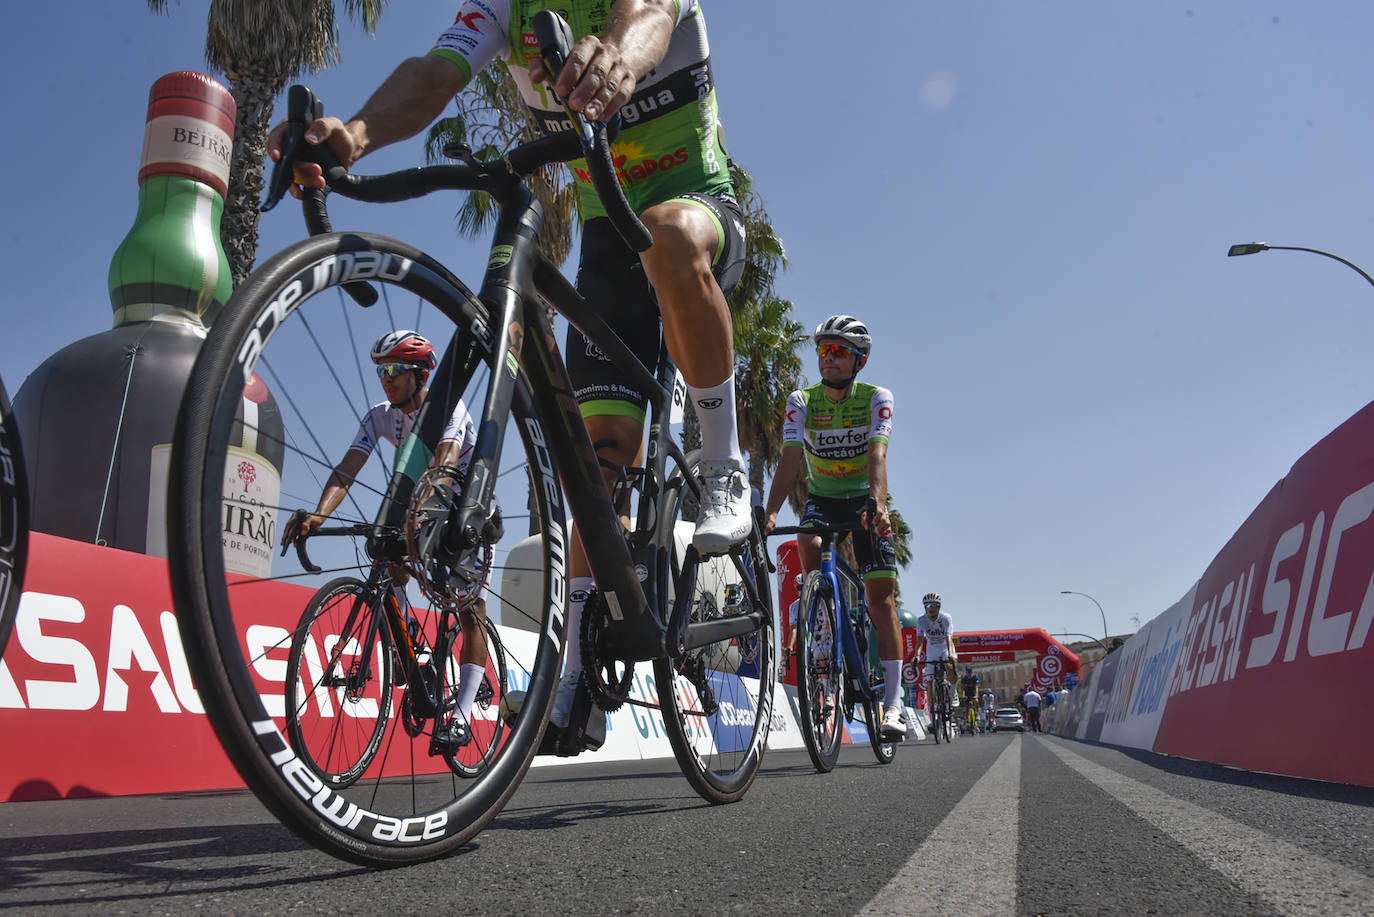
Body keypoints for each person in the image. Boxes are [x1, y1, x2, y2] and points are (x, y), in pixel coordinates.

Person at [269, 2, 753, 753]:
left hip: (696, 206)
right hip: (607, 242)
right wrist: (354, 135)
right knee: (600, 457)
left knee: (666, 231)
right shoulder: (505, 6)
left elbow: (650, 15)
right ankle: (582, 667)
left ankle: (723, 461)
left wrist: (621, 57)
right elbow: (434, 74)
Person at [281, 330, 485, 747]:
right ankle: (415, 642)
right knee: (385, 561)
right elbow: (348, 467)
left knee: (471, 608)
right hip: (417, 500)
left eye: (393, 370)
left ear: (421, 372)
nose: (385, 379)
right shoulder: (380, 415)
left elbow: (445, 463)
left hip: (463, 505)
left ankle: (462, 712)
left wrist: (421, 510)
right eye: (380, 371)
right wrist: (318, 515)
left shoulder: (449, 406)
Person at [762, 315, 905, 741]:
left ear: (859, 360)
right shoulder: (801, 401)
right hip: (823, 498)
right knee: (806, 536)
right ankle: (818, 613)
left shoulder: (876, 397)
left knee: (881, 601)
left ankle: (893, 706)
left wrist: (877, 506)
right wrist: (770, 513)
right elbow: (789, 459)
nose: (829, 359)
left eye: (840, 351)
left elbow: (877, 455)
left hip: (864, 497)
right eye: (824, 350)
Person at [915, 592, 958, 725]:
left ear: (939, 607)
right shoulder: (921, 620)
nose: (931, 608)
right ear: (925, 608)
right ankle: (933, 716)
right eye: (928, 605)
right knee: (929, 680)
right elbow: (920, 640)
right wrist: (917, 656)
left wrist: (950, 654)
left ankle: (953, 692)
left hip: (945, 646)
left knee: (949, 665)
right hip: (932, 647)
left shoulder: (946, 618)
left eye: (934, 605)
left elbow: (949, 638)